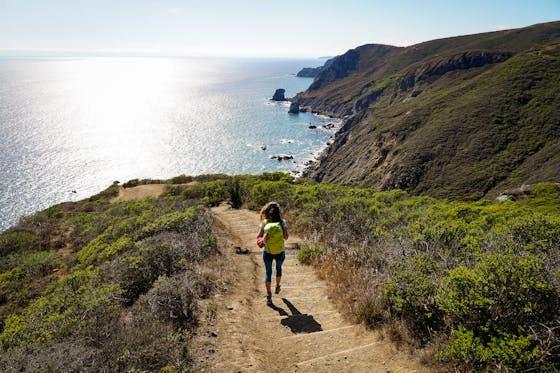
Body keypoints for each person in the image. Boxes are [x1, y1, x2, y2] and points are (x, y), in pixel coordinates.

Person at [257, 201, 288, 305]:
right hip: (280, 251)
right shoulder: (282, 222)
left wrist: (264, 238)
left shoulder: (265, 223)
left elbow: (258, 237)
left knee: (268, 272)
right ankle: (278, 286)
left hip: (268, 252)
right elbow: (286, 237)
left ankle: (269, 295)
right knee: (278, 269)